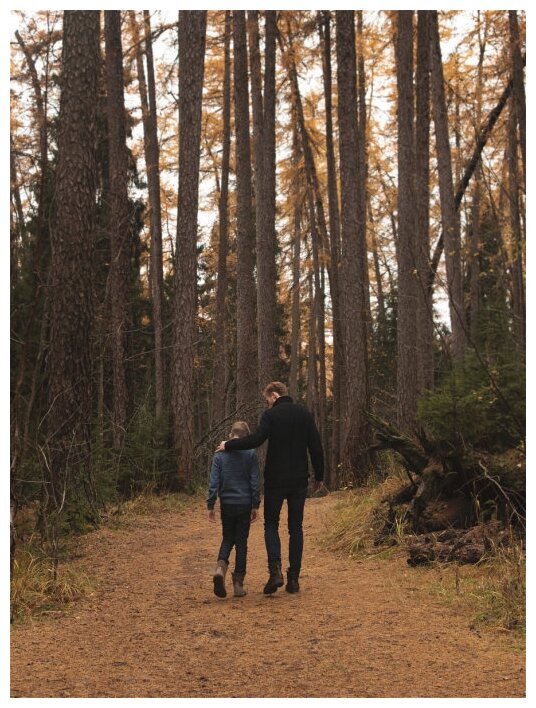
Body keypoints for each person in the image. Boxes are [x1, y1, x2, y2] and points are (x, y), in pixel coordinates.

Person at [216, 382, 324, 595]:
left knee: (271, 525)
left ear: (274, 396)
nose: (268, 404)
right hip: (299, 480)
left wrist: (228, 445)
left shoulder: (271, 416)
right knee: (296, 528)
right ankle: (293, 579)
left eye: (267, 400)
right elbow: (316, 446)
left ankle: (275, 572)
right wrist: (319, 476)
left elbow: (255, 440)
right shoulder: (304, 414)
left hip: (275, 480)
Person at [207, 420, 260, 598]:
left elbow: (214, 482)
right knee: (242, 542)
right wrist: (255, 504)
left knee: (228, 537)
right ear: (245, 437)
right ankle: (238, 583)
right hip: (244, 503)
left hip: (227, 503)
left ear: (231, 434)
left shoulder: (219, 455)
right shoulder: (250, 453)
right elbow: (254, 481)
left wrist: (211, 504)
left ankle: (220, 568)